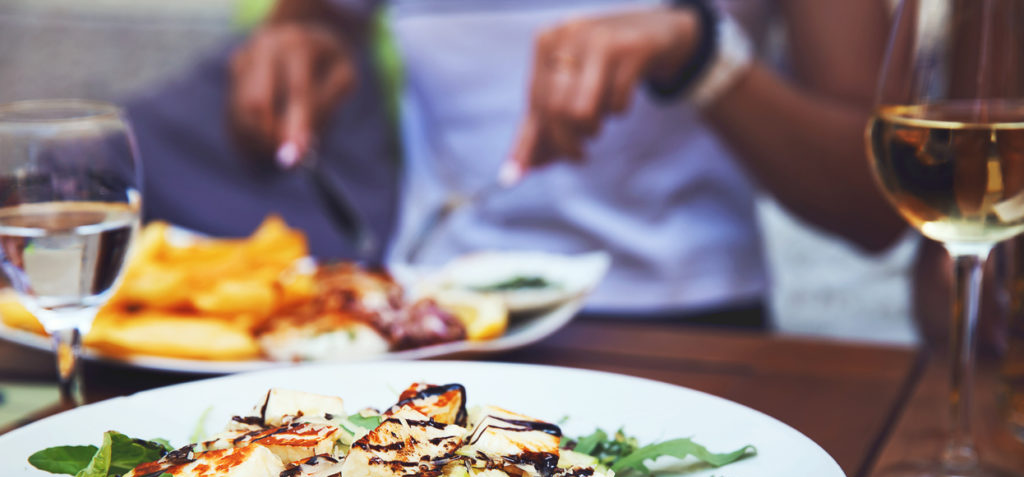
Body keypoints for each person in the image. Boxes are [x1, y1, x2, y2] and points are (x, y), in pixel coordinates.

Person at [131, 0, 907, 324]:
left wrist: (703, 56)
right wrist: (302, 46)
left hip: (688, 332)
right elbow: (318, 16)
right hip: (436, 318)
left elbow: (877, 205)